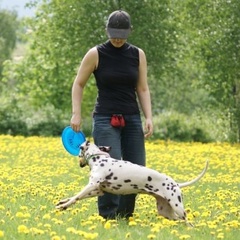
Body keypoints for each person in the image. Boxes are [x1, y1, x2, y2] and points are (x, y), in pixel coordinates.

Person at [70, 10, 153, 219]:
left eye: (121, 34)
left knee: (136, 167)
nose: (117, 38)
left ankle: (125, 216)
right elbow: (78, 84)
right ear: (107, 31)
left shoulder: (138, 55)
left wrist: (149, 117)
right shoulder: (96, 54)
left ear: (129, 32)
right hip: (105, 118)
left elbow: (142, 88)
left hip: (132, 117)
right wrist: (76, 114)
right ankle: (108, 215)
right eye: (113, 34)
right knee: (107, 167)